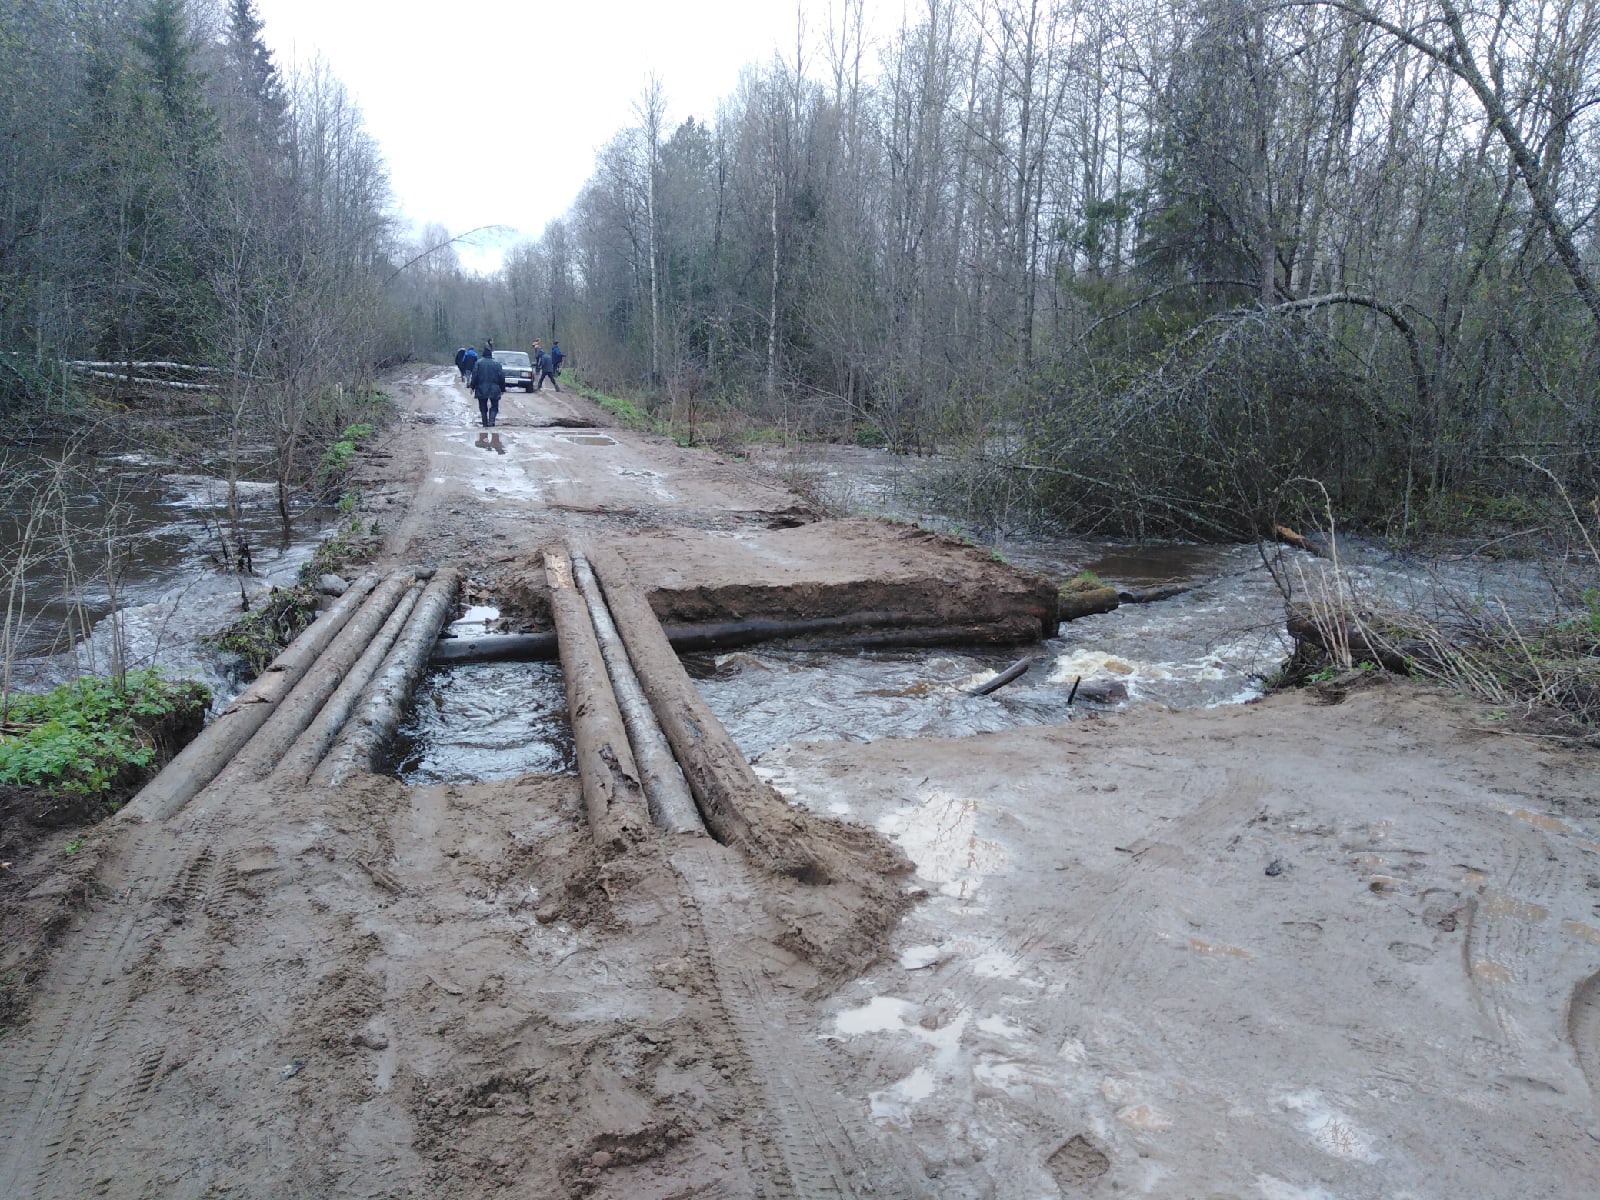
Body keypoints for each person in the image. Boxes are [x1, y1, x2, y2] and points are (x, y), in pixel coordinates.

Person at [470, 347, 505, 426]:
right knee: (494, 406)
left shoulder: (478, 363)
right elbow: (501, 377)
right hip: (495, 388)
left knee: (482, 406)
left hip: (481, 388)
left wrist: (472, 386)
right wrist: (502, 388)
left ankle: (485, 423)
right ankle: (491, 421)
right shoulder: (497, 364)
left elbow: (474, 375)